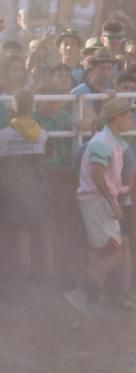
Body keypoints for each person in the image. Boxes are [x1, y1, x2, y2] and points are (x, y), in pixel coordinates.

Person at [63, 96, 136, 320]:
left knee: (104, 250)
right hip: (97, 201)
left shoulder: (107, 141)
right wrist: (113, 201)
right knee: (116, 251)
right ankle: (82, 291)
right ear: (117, 118)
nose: (132, 121)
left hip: (96, 200)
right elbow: (97, 174)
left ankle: (90, 299)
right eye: (129, 116)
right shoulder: (103, 142)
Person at [0, 88, 54, 284]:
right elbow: (50, 155)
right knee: (45, 233)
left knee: (23, 233)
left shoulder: (3, 135)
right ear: (32, 107)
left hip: (15, 190)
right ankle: (48, 278)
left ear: (13, 108)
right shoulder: (43, 134)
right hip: (39, 189)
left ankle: (23, 278)